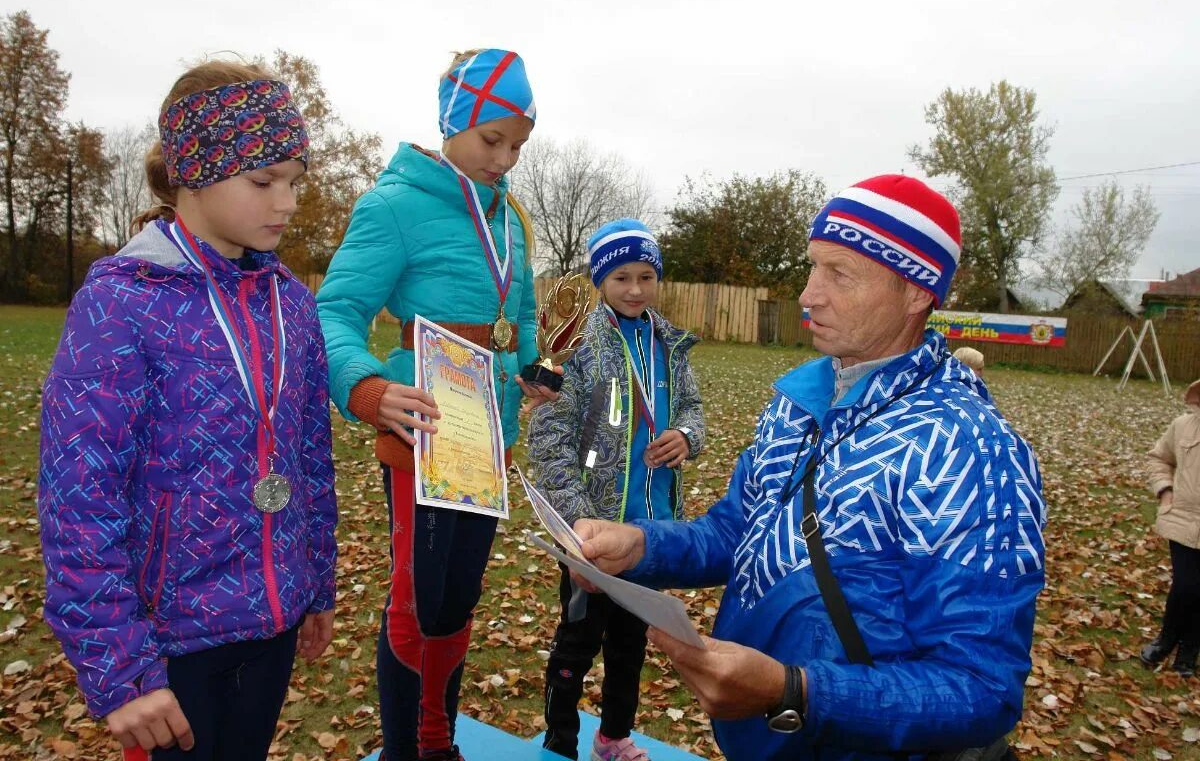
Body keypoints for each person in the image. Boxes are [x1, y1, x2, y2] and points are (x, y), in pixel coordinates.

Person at [574, 175, 1046, 761]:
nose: (807, 295)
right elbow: (737, 532)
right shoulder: (799, 401)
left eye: (839, 274)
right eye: (812, 267)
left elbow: (981, 688)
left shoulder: (967, 448)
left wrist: (795, 691)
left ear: (917, 292)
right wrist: (642, 547)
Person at [38, 60, 337, 761]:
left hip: (270, 625)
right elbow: (79, 498)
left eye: (295, 179)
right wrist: (117, 667)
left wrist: (316, 580)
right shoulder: (121, 301)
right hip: (168, 646)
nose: (288, 201)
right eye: (264, 181)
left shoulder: (291, 301)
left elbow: (309, 456)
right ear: (194, 172)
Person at [317, 48, 552, 761]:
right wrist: (368, 388)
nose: (505, 158)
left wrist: (534, 365)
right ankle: (402, 749)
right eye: (492, 139)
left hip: (486, 444)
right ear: (455, 120)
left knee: (458, 598)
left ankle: (434, 738)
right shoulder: (391, 205)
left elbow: (524, 314)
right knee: (416, 601)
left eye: (517, 145)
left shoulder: (508, 217)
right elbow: (335, 312)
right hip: (423, 439)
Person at [528, 220, 707, 761]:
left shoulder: (669, 343)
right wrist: (578, 524)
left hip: (649, 531)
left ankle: (613, 737)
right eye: (621, 277)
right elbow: (548, 440)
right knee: (577, 643)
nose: (635, 288)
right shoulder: (576, 343)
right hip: (592, 531)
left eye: (646, 275)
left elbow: (693, 409)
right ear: (600, 281)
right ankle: (560, 742)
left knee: (630, 646)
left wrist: (685, 437)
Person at [1141, 378, 1200, 677]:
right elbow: (1158, 459)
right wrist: (1165, 491)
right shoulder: (1183, 426)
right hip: (1183, 519)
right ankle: (1166, 639)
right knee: (1187, 584)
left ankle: (1189, 651)